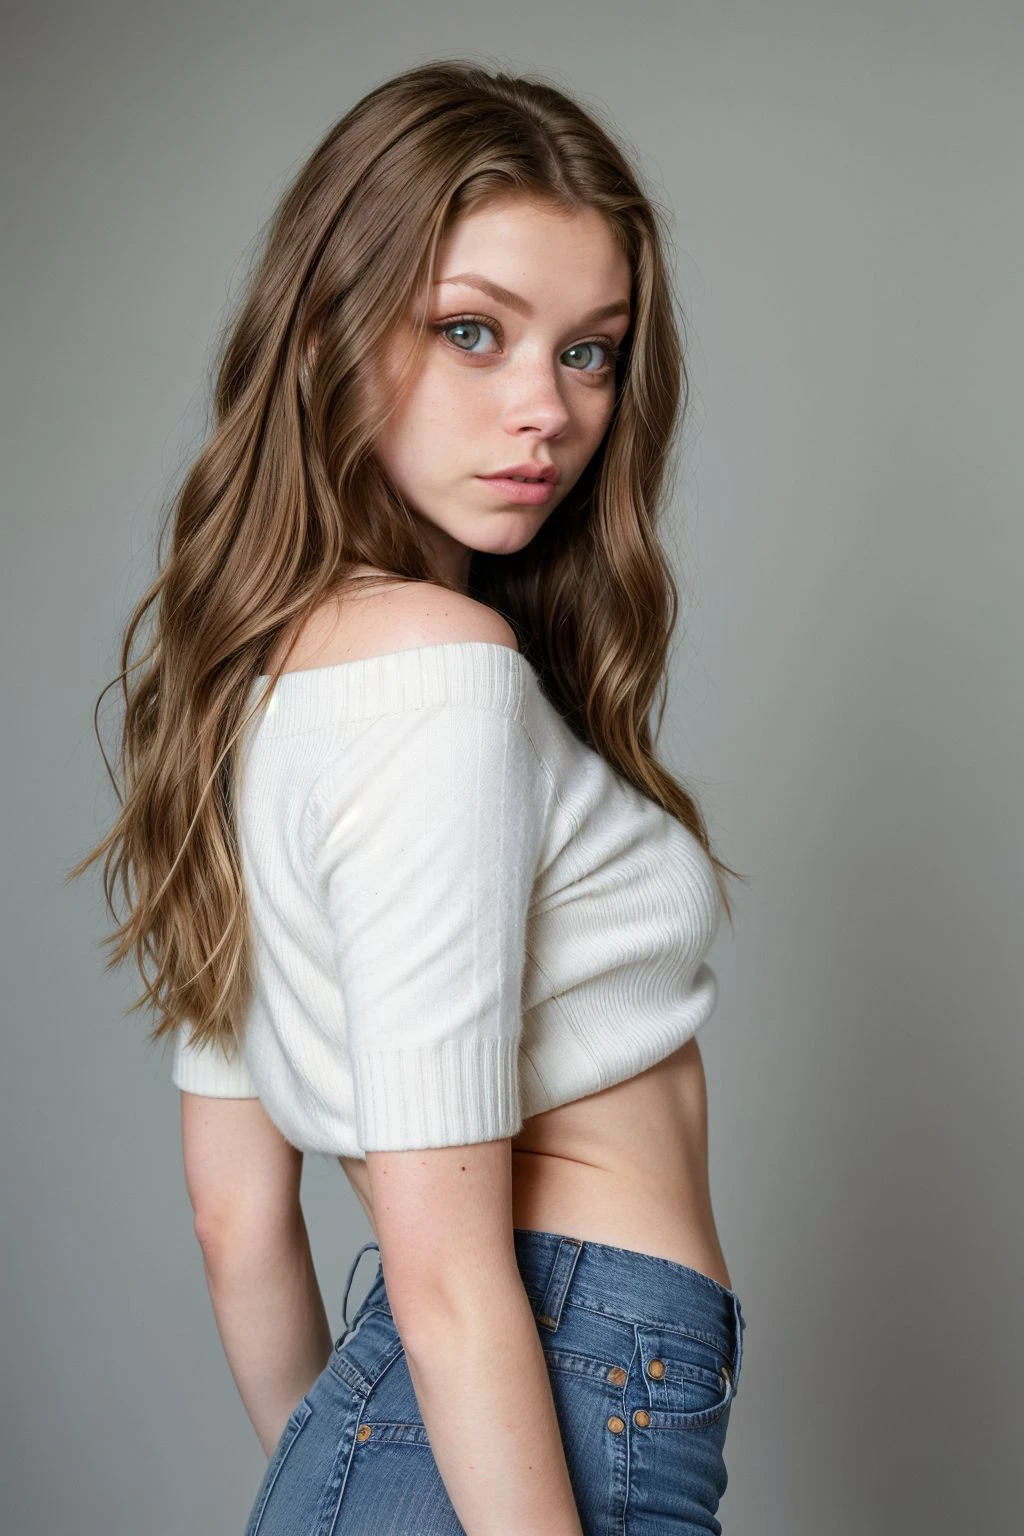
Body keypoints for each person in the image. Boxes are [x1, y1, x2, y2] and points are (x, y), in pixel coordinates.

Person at [71, 58, 749, 1536]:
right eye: (470, 331)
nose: (548, 412)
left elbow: (237, 1222)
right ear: (331, 331)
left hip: (452, 1430)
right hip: (557, 1396)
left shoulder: (256, 690)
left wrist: (358, 1471)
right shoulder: (439, 670)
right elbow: (443, 1272)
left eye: (591, 351)